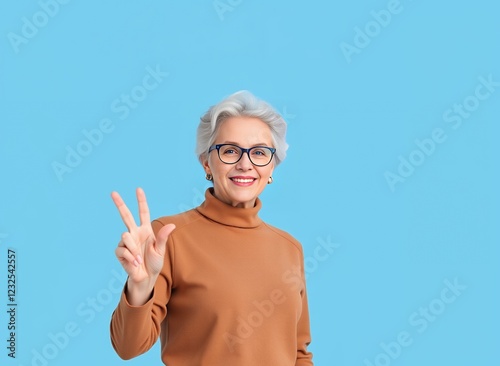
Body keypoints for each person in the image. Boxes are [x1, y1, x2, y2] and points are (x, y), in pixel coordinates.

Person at [109, 90, 314, 365]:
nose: (245, 164)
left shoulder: (290, 248)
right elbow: (128, 347)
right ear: (207, 161)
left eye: (259, 153)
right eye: (230, 150)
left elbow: (299, 353)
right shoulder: (169, 236)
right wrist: (140, 287)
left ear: (272, 166)